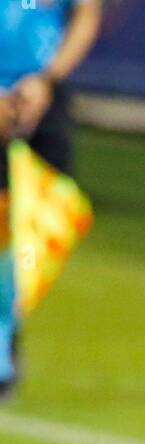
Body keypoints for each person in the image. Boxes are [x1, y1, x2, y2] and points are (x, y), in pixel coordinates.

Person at [0, 0, 102, 396]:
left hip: (41, 98)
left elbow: (86, 14)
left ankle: (8, 323)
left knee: (54, 212)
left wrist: (46, 79)